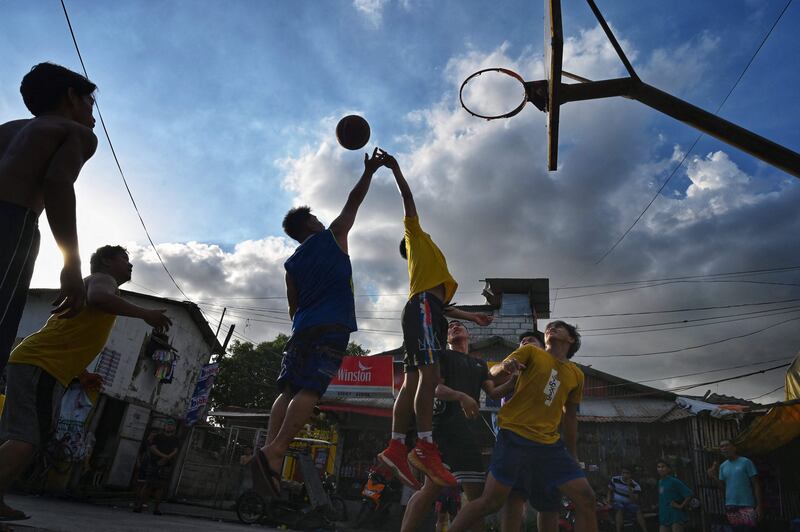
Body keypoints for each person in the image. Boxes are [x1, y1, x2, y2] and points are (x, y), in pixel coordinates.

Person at [0, 245, 171, 520]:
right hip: (41, 365)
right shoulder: (104, 281)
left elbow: (72, 335)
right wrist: (145, 314)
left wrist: (81, 375)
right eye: (124, 259)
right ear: (105, 261)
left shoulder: (102, 284)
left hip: (42, 365)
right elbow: (98, 298)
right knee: (27, 439)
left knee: (24, 437)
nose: (130, 266)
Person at [252, 148, 387, 497]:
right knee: (311, 390)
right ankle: (277, 448)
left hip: (302, 329)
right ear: (310, 224)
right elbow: (353, 200)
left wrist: (305, 322)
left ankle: (270, 458)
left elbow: (293, 308)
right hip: (331, 327)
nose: (321, 220)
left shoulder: (291, 264)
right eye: (315, 218)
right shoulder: (332, 238)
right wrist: (370, 171)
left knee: (288, 390)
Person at [378, 152, 493, 490]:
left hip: (429, 310)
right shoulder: (414, 237)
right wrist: (396, 168)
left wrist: (471, 315)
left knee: (413, 380)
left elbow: (443, 306)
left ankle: (398, 446)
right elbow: (408, 198)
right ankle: (424, 445)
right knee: (430, 376)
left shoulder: (434, 267)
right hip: (424, 309)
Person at [446, 320, 598, 532]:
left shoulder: (576, 375)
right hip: (514, 436)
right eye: (549, 327)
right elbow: (494, 373)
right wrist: (505, 367)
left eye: (558, 327)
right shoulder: (531, 352)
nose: (551, 328)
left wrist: (572, 455)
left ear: (571, 339)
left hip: (549, 445)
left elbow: (570, 417)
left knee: (586, 498)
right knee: (492, 502)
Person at [0, 63, 100, 376]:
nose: (94, 116)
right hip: (12, 223)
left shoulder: (7, 129)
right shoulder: (76, 133)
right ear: (72, 96)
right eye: (90, 103)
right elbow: (58, 184)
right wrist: (71, 264)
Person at [400, 320, 506, 532]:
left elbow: (494, 393)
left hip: (469, 436)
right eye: (450, 327)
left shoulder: (479, 365)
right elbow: (434, 387)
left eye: (460, 326)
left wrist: (515, 378)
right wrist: (460, 396)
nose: (454, 327)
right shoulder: (443, 356)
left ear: (469, 336)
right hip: (444, 431)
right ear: (447, 338)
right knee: (430, 489)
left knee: (476, 500)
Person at [498, 330, 561, 532]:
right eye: (521, 342)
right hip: (514, 440)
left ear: (542, 349)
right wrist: (507, 372)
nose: (524, 342)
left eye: (531, 340)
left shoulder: (553, 374)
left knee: (548, 501)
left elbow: (551, 402)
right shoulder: (512, 373)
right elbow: (491, 383)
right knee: (515, 497)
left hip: (543, 443)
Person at [707, 439, 762, 531]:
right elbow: (723, 488)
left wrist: (759, 506)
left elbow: (756, 484)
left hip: (747, 505)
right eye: (722, 446)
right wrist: (714, 477)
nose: (724, 448)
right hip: (731, 506)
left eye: (726, 445)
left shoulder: (746, 462)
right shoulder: (723, 466)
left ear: (734, 448)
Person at [134, 419, 180, 515]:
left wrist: (166, 458)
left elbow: (176, 450)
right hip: (154, 463)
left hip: (166, 465)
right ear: (165, 426)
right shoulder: (158, 437)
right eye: (168, 425)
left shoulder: (175, 439)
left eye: (171, 425)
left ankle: (156, 508)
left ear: (174, 428)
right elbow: (152, 448)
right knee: (148, 485)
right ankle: (140, 506)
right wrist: (164, 456)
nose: (169, 427)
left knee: (160, 487)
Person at [656, 459, 692, 532]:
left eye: (663, 466)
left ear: (668, 469)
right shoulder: (660, 482)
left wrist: (681, 506)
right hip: (664, 515)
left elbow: (689, 494)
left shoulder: (674, 481)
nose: (660, 469)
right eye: (658, 467)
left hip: (675, 515)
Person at [608, 466, 648, 531]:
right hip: (616, 502)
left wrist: (629, 486)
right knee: (620, 507)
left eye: (627, 473)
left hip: (629, 503)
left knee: (638, 509)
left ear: (631, 475)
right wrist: (608, 500)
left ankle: (645, 530)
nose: (625, 475)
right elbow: (609, 491)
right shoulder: (615, 479)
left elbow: (634, 500)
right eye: (623, 473)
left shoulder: (635, 485)